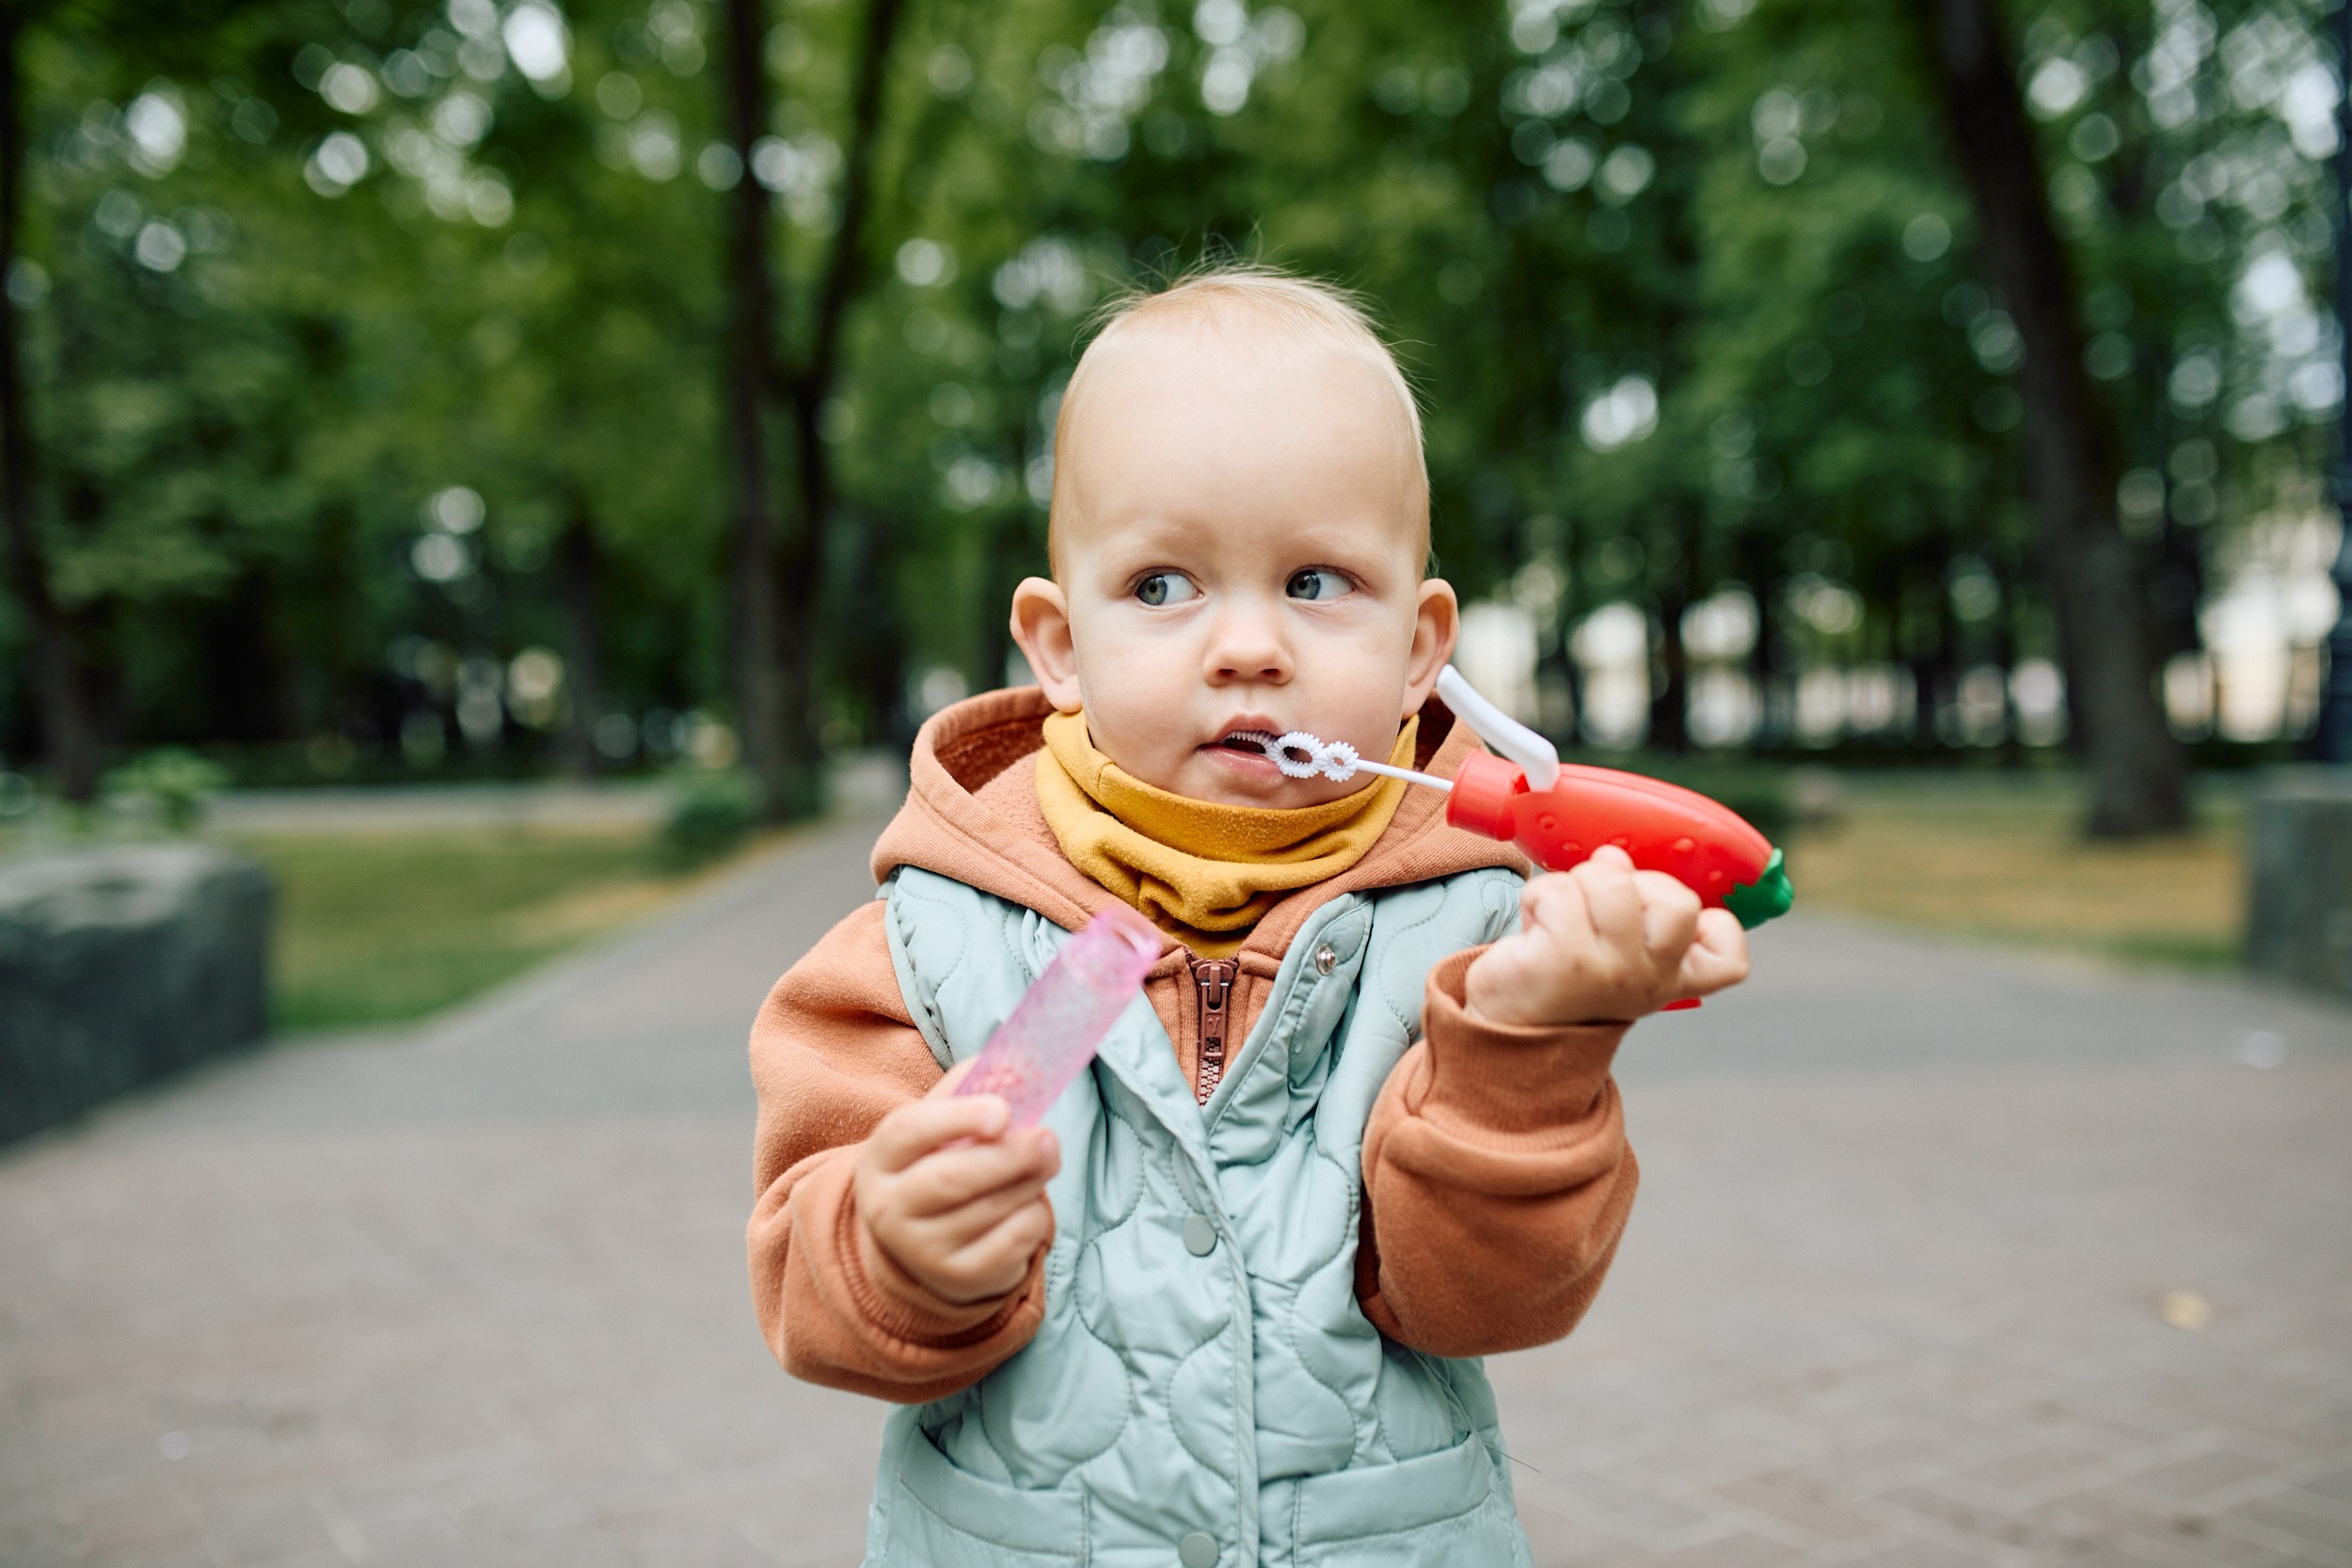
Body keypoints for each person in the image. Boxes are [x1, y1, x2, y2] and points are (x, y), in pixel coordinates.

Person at [747, 265, 1751, 1566]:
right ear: (1059, 645)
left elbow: (1484, 1303)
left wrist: (1530, 1050)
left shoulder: (1479, 939)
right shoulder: (939, 945)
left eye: (1317, 582)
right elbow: (807, 1298)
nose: (1247, 647)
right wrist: (892, 1249)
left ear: (1420, 650)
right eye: (1163, 586)